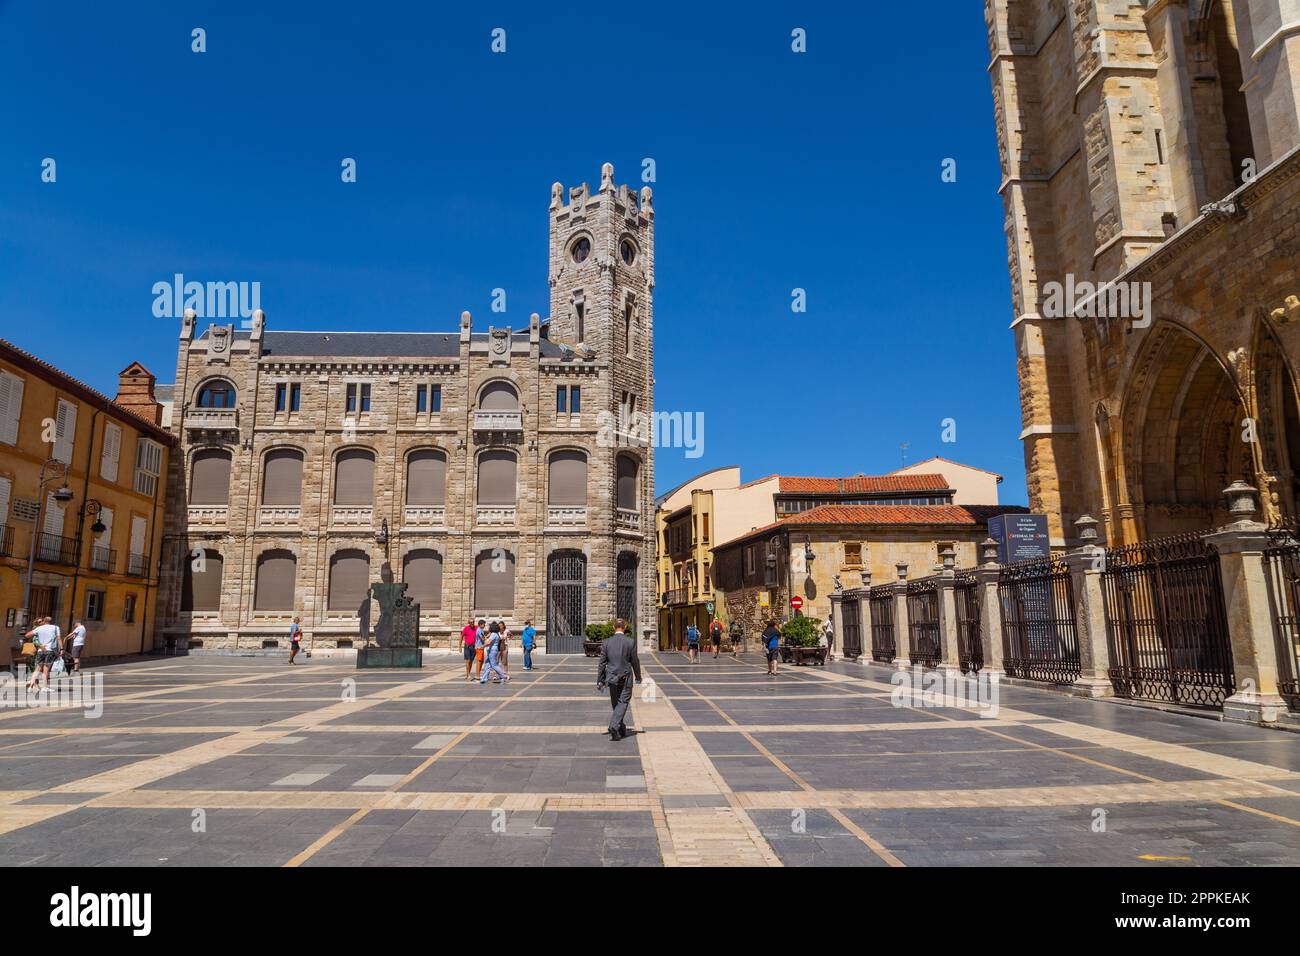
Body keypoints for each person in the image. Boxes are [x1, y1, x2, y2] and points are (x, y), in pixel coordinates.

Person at [596, 618, 641, 741]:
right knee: (623, 702)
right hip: (626, 678)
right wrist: (638, 676)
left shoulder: (606, 642)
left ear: (613, 627)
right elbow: (635, 661)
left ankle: (621, 728)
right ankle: (614, 726)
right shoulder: (630, 642)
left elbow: (602, 663)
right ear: (625, 627)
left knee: (616, 703)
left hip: (611, 678)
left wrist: (600, 680)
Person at [25, 616, 62, 692]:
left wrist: (40, 643)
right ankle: (44, 687)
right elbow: (59, 638)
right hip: (49, 650)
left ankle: (30, 687)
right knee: (46, 669)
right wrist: (62, 649)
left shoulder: (39, 628)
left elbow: (27, 635)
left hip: (40, 651)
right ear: (51, 621)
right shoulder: (55, 627)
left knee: (37, 669)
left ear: (44, 621)